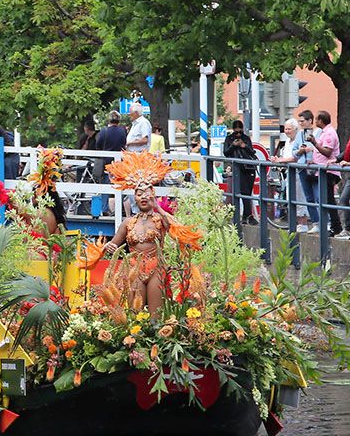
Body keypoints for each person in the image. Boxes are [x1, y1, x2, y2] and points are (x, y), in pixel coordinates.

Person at [102, 152, 203, 314]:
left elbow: (175, 227)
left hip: (156, 269)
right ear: (134, 197)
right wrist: (109, 247)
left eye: (146, 192)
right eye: (138, 193)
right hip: (134, 269)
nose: (143, 196)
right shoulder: (128, 223)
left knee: (156, 315)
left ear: (153, 194)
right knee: (135, 314)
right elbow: (112, 244)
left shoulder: (160, 219)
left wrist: (157, 206)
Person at [271, 118, 312, 232]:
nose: (287, 131)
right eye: (285, 129)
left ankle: (303, 223)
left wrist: (281, 160)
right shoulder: (288, 142)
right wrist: (279, 159)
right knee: (291, 196)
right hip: (290, 172)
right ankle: (296, 222)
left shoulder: (298, 140)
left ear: (295, 129)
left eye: (289, 129)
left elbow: (295, 157)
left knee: (300, 196)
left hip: (298, 171)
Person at [309, 111, 342, 236]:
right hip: (323, 170)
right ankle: (333, 225)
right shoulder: (324, 132)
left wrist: (314, 143)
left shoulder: (329, 133)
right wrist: (315, 160)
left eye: (316, 119)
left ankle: (336, 226)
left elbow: (327, 152)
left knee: (329, 200)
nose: (315, 121)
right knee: (326, 199)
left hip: (329, 171)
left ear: (321, 120)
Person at [223, 119, 256, 224]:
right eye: (236, 132)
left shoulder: (246, 138)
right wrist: (233, 145)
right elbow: (226, 153)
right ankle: (248, 215)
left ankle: (247, 215)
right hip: (238, 168)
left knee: (247, 192)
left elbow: (252, 152)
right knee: (243, 191)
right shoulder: (229, 139)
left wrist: (244, 146)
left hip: (249, 167)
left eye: (240, 132)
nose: (238, 134)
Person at [295, 110, 321, 231]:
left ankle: (324, 222)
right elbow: (294, 151)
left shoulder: (319, 133)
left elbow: (322, 148)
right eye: (299, 121)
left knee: (318, 196)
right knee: (308, 197)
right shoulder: (299, 135)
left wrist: (312, 149)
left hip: (315, 168)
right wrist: (300, 151)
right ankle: (316, 222)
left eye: (302, 121)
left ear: (310, 121)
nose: (301, 124)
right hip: (302, 168)